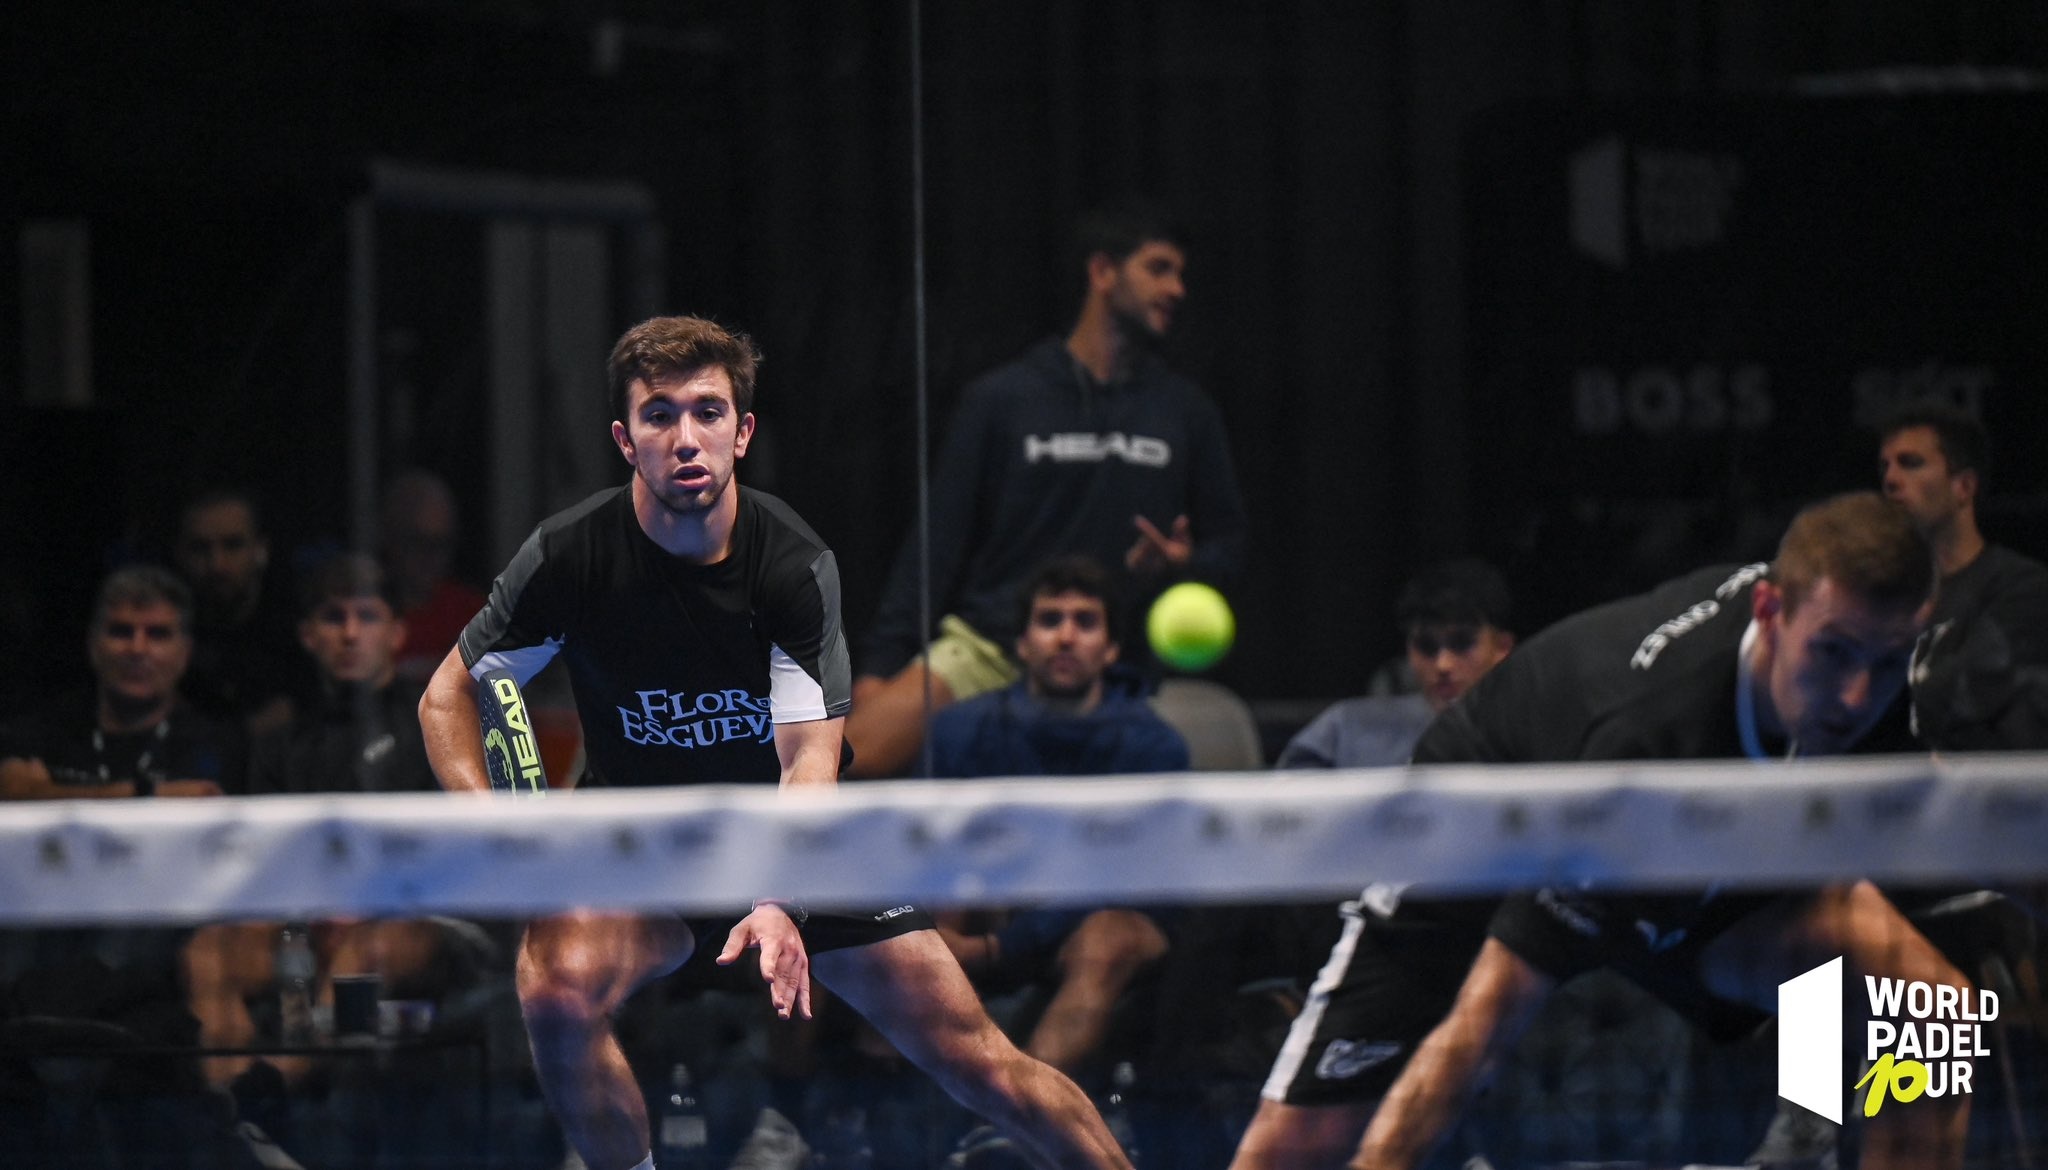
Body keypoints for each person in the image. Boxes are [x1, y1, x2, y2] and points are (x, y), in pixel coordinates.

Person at [418, 315, 1133, 1170]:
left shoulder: (790, 566)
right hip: (643, 849)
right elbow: (448, 695)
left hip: (799, 842)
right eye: (659, 415)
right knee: (554, 990)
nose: (686, 437)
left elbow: (809, 762)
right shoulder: (571, 559)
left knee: (981, 1063)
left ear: (743, 431)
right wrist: (489, 824)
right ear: (624, 438)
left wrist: (780, 896)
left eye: (709, 412)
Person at [1232, 492, 1973, 1170]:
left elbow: (1996, 839)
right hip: (1481, 828)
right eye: (1835, 654)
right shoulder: (1644, 742)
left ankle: (1806, 1132)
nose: (1856, 693)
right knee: (1307, 1144)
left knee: (1931, 1009)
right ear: (1770, 612)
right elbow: (1486, 1023)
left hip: (1685, 849)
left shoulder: (1869, 661)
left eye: (1885, 663)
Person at [848, 201, 1249, 777]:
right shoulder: (1003, 398)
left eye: (1180, 274)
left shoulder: (1185, 411)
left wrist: (1182, 565)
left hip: (1111, 654)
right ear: (1103, 272)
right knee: (842, 768)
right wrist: (880, 667)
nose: (1177, 289)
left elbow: (1228, 546)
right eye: (1159, 269)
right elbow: (936, 540)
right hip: (991, 644)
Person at [925, 555, 1189, 1077]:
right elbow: (925, 852)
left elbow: (1127, 883)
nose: (1066, 637)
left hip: (1092, 922)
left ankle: (1025, 1125)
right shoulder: (959, 730)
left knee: (1110, 935)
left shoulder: (1155, 748)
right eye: (1050, 620)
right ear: (1022, 644)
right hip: (990, 908)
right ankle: (890, 1108)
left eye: (1085, 622)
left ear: (1111, 649)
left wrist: (1000, 948)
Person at [1877, 398, 2048, 749]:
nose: (1891, 479)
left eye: (1911, 463)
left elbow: (1971, 693)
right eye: (1885, 467)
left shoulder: (2021, 587)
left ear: (1964, 487)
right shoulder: (1878, 595)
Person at [0, 564, 238, 801]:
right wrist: (151, 795)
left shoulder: (218, 743)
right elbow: (14, 795)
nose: (137, 649)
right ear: (93, 644)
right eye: (121, 631)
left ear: (185, 652)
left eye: (157, 634)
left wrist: (52, 794)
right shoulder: (40, 731)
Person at [1277, 559, 1515, 769]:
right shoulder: (1344, 730)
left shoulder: (1531, 730)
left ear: (1502, 647)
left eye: (1462, 644)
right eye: (1426, 646)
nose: (1443, 664)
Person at [173, 488, 306, 736]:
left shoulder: (299, 634)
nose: (217, 565)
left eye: (233, 546)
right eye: (200, 548)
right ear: (180, 555)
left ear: (260, 550)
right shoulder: (163, 634)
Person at [379, 468, 490, 687]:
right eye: (418, 542)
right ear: (390, 538)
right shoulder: (365, 612)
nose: (430, 558)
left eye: (441, 545)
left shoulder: (471, 613)